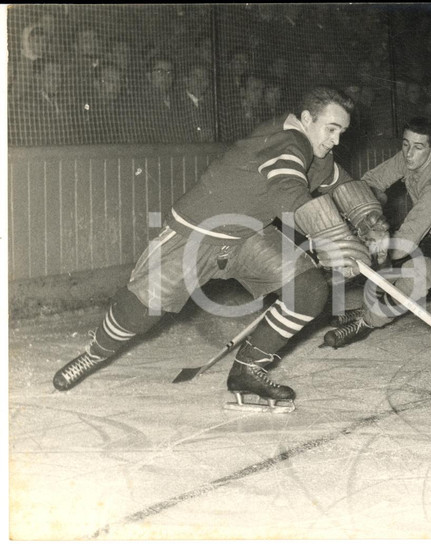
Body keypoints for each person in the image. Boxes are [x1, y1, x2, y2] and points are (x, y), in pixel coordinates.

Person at [52, 87, 390, 413]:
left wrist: (371, 222)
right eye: (331, 129)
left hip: (246, 237)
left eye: (341, 131)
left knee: (308, 289)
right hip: (195, 236)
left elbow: (343, 184)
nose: (336, 139)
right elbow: (289, 191)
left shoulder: (316, 152)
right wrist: (339, 242)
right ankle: (94, 353)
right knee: (138, 313)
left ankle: (247, 370)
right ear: (305, 118)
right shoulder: (288, 141)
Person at [323, 116, 431, 348]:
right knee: (382, 249)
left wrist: (361, 242)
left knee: (413, 272)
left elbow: (402, 247)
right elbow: (370, 183)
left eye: (418, 147)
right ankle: (369, 308)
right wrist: (352, 212)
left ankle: (367, 322)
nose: (409, 153)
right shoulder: (408, 157)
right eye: (405, 143)